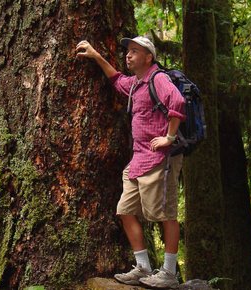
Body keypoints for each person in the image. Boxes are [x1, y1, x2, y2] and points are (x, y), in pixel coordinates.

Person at [76, 36, 185, 289]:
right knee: (125, 211)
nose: (128, 55)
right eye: (128, 51)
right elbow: (116, 79)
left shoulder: (159, 79)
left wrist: (169, 137)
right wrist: (95, 55)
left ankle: (169, 273)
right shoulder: (136, 84)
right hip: (138, 161)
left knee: (165, 214)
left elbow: (178, 102)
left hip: (161, 159)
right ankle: (143, 267)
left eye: (135, 51)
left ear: (149, 57)